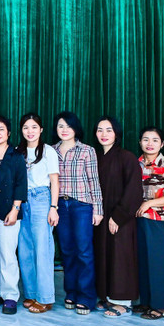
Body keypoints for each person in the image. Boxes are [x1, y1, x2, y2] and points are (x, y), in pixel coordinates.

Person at [53, 111, 103, 315]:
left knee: (84, 251)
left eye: (68, 126)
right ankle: (71, 292)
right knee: (67, 251)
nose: (64, 130)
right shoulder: (51, 151)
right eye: (60, 126)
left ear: (76, 128)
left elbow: (94, 181)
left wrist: (98, 209)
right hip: (60, 206)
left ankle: (86, 296)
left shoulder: (87, 150)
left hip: (82, 205)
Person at [94, 116, 143, 318]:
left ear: (117, 133)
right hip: (100, 216)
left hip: (121, 218)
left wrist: (118, 217)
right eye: (100, 130)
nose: (104, 134)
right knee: (102, 255)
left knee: (120, 257)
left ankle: (123, 302)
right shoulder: (95, 156)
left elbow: (134, 190)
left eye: (109, 130)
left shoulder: (127, 157)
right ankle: (106, 296)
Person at [136, 126, 164, 320]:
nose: (150, 144)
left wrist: (150, 203)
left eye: (155, 140)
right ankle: (146, 301)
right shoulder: (136, 164)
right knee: (143, 263)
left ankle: (160, 306)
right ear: (140, 142)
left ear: (162, 144)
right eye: (146, 139)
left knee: (160, 264)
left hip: (160, 222)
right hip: (139, 221)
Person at [15, 113, 59, 314]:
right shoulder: (18, 151)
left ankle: (45, 298)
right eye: (26, 127)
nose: (30, 131)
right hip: (22, 201)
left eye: (34, 127)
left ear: (41, 129)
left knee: (43, 249)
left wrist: (53, 207)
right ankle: (31, 293)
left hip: (42, 199)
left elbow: (54, 181)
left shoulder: (48, 151)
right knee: (25, 249)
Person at [0, 115, 27, 315]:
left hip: (8, 212)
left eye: (1, 129)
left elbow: (21, 183)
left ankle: (10, 295)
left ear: (8, 133)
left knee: (8, 254)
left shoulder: (15, 155)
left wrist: (15, 209)